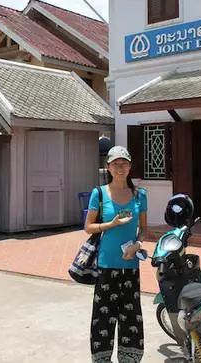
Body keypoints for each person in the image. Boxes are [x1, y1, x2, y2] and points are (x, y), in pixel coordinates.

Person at [85, 145, 147, 363]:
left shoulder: (140, 194)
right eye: (116, 164)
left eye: (125, 163)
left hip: (131, 267)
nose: (121, 168)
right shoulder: (99, 194)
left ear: (130, 166)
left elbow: (145, 229)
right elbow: (89, 227)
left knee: (131, 317)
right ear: (108, 167)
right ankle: (102, 359)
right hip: (106, 265)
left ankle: (129, 359)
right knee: (103, 317)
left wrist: (137, 245)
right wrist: (110, 224)